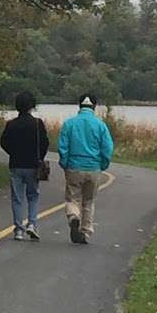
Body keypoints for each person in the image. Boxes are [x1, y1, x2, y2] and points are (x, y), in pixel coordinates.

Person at [57, 94, 114, 244]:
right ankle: (85, 231)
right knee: (89, 201)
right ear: (94, 107)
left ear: (79, 106)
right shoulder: (100, 125)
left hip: (74, 167)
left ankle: (74, 216)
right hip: (93, 168)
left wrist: (64, 162)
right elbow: (107, 147)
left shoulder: (69, 124)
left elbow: (63, 147)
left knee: (72, 198)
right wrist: (103, 164)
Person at [0, 91, 50, 242]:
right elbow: (45, 143)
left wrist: (12, 153)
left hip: (16, 164)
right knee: (33, 196)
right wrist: (40, 157)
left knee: (17, 198)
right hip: (33, 165)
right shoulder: (37, 124)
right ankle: (32, 224)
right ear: (32, 106)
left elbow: (4, 142)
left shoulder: (11, 124)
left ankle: (18, 230)